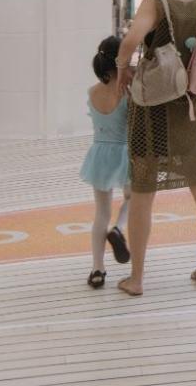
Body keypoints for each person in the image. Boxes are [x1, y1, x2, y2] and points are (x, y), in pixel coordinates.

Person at [114, 0, 196, 296]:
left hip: (154, 111)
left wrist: (122, 67)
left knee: (143, 191)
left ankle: (137, 279)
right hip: (191, 104)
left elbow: (131, 40)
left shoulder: (155, 2)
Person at [79, 36, 131, 289]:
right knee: (133, 198)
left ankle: (97, 269)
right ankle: (119, 228)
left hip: (99, 153)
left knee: (101, 213)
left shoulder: (92, 92)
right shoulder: (127, 92)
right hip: (125, 153)